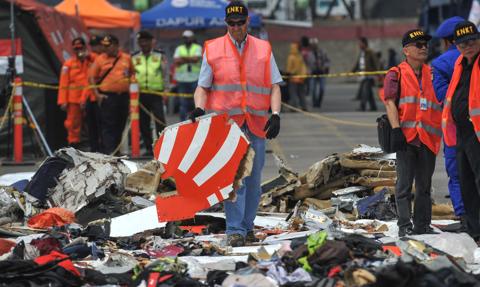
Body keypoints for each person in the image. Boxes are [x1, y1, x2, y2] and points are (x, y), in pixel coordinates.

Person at [190, 1, 283, 247]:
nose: (236, 27)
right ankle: (235, 230)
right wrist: (199, 107)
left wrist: (275, 114)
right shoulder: (213, 48)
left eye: (240, 23)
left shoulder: (263, 48)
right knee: (233, 180)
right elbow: (203, 86)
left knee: (253, 180)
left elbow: (274, 85)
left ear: (247, 21)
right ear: (226, 24)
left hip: (257, 123)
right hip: (228, 127)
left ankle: (248, 227)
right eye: (231, 24)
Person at [383, 29, 442, 237]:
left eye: (425, 44)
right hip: (406, 138)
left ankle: (422, 226)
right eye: (419, 44)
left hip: (428, 138)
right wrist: (396, 129)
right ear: (406, 50)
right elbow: (389, 102)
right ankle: (404, 227)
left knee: (424, 186)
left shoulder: (433, 73)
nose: (424, 47)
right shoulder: (395, 73)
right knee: (404, 186)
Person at [442, 21, 480, 241]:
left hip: (477, 134)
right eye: (463, 43)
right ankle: (475, 230)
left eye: (472, 40)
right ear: (456, 45)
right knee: (466, 183)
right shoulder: (460, 64)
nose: (468, 45)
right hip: (463, 134)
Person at [431, 16, 466, 225]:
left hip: (454, 131)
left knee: (457, 175)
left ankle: (463, 215)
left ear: (447, 41)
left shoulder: (440, 64)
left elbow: (443, 98)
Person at [89, 35, 134, 155]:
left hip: (123, 97)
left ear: (116, 45)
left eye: (108, 46)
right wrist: (97, 94)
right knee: (108, 125)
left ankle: (116, 151)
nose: (105, 48)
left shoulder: (126, 58)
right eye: (104, 46)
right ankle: (109, 152)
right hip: (108, 97)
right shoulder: (100, 59)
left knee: (121, 124)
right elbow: (92, 77)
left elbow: (132, 73)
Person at [132, 31, 168, 155]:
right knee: (143, 123)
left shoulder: (159, 56)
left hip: (156, 93)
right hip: (140, 95)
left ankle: (162, 148)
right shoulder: (134, 57)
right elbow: (131, 74)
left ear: (151, 42)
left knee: (160, 121)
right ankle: (148, 149)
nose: (144, 44)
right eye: (141, 41)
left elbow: (165, 74)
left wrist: (166, 90)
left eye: (146, 41)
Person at [58, 37, 95, 148]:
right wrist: (62, 101)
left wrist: (88, 56)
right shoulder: (68, 64)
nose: (78, 50)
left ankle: (91, 143)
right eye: (76, 48)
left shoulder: (91, 60)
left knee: (91, 122)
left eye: (80, 48)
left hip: (89, 96)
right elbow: (63, 83)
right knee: (72, 123)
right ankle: (73, 143)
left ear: (85, 47)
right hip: (73, 99)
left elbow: (99, 59)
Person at [174, 30, 202, 121]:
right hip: (182, 79)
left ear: (192, 38)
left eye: (188, 37)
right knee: (183, 104)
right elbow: (176, 61)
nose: (186, 39)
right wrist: (190, 59)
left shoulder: (197, 47)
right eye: (185, 38)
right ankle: (183, 122)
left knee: (197, 103)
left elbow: (196, 59)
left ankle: (198, 121)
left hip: (195, 79)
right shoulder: (179, 48)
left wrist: (182, 58)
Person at [82, 35, 104, 152]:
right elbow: (88, 81)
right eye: (92, 46)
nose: (94, 48)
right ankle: (94, 148)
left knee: (102, 125)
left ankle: (102, 148)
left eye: (97, 45)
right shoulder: (88, 61)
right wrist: (84, 98)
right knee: (91, 125)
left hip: (100, 96)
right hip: (90, 97)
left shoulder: (100, 58)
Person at [352, 37, 378, 111]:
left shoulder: (370, 52)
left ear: (364, 43)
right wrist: (352, 71)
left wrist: (378, 74)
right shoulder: (361, 53)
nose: (359, 45)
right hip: (363, 76)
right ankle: (373, 107)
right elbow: (358, 64)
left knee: (365, 91)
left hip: (369, 76)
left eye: (360, 43)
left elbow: (376, 63)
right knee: (369, 92)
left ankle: (362, 106)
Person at [286, 43, 308, 110]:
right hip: (301, 78)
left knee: (293, 94)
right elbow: (303, 67)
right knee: (301, 94)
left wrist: (288, 74)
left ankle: (293, 107)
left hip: (293, 78)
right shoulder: (300, 56)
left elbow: (289, 69)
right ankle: (304, 107)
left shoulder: (290, 57)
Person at [310, 38, 330, 108]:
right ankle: (314, 103)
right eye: (312, 45)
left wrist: (325, 67)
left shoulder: (322, 52)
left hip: (321, 72)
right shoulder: (309, 53)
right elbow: (307, 64)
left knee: (322, 89)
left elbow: (327, 61)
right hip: (313, 73)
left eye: (314, 44)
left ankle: (319, 102)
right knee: (313, 90)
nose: (313, 46)